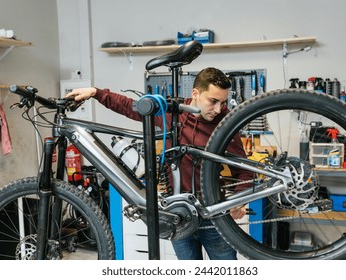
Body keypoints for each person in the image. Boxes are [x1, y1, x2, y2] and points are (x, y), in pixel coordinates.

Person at [66, 67, 253, 260]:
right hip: (178, 215)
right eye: (213, 101)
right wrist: (96, 93)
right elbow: (131, 106)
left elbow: (245, 170)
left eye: (222, 102)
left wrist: (240, 200)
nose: (218, 109)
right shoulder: (173, 114)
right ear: (195, 93)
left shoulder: (225, 122)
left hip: (214, 216)